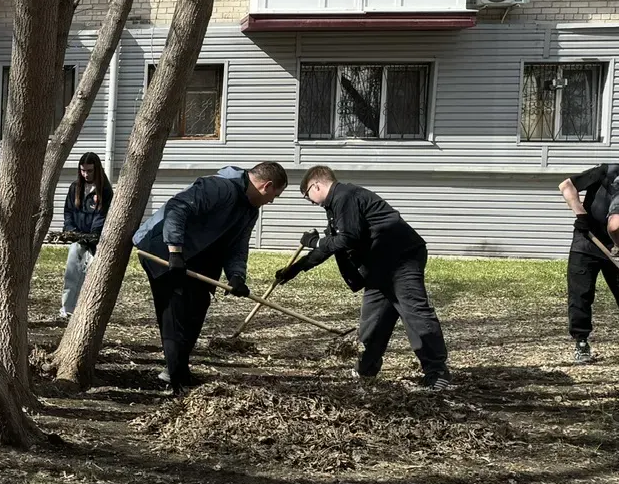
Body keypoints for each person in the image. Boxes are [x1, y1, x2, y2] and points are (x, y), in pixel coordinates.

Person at [277, 166, 450, 389]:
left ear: (316, 185)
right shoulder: (337, 205)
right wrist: (296, 268)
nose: (310, 201)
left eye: (307, 195)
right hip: (379, 266)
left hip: (401, 259)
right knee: (373, 319)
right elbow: (333, 244)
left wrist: (314, 242)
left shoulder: (345, 197)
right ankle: (366, 369)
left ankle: (437, 373)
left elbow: (347, 239)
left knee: (414, 312)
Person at [133, 161, 288, 393]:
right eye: (275, 195)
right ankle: (175, 380)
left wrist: (237, 276)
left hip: (197, 257)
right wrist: (175, 251)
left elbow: (238, 246)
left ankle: (178, 371)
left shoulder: (250, 211)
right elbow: (177, 208)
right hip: (162, 252)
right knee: (176, 313)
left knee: (197, 309)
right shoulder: (219, 187)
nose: (272, 201)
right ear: (266, 186)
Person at [557, 162, 619, 364]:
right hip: (587, 242)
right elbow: (566, 185)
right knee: (580, 295)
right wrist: (581, 213)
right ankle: (581, 341)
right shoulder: (607, 171)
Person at [59, 152, 109, 320]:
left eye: (90, 171)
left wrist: (93, 235)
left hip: (96, 242)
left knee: (91, 277)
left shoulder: (105, 190)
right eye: (83, 170)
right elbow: (68, 212)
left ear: (97, 170)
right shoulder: (75, 187)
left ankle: (86, 312)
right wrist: (71, 231)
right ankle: (67, 310)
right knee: (72, 274)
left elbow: (101, 215)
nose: (86, 174)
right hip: (77, 239)